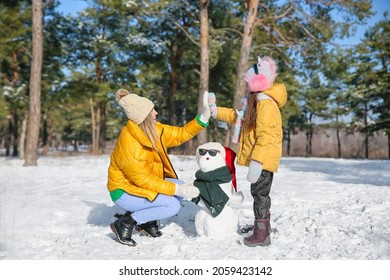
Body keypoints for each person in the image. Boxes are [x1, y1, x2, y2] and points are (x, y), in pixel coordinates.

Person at [107, 88, 210, 246]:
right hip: (124, 191)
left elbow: (180, 134)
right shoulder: (130, 144)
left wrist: (201, 119)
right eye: (152, 111)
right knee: (172, 204)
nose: (156, 113)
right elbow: (143, 181)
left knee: (181, 187)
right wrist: (174, 190)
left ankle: (146, 221)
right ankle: (126, 222)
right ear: (143, 117)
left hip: (141, 185)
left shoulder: (153, 130)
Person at [208, 56, 287, 247]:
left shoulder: (265, 104)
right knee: (259, 192)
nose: (246, 85)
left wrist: (257, 162)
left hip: (263, 158)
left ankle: (262, 235)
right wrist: (215, 111)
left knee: (260, 193)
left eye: (248, 82)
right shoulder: (256, 101)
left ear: (258, 81)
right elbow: (238, 116)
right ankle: (260, 227)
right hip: (258, 158)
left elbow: (266, 136)